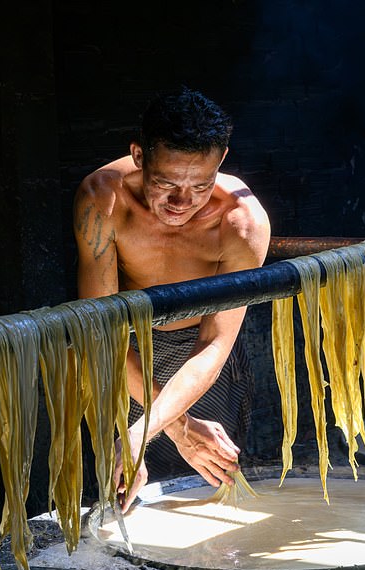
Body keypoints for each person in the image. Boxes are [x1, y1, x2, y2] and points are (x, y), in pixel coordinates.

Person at [73, 87, 271, 511]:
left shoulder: (242, 222)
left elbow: (214, 346)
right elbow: (100, 334)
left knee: (211, 483)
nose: (183, 202)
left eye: (201, 185)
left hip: (197, 360)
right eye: (165, 184)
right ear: (139, 155)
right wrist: (170, 430)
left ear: (221, 160)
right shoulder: (103, 200)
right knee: (113, 490)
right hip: (123, 351)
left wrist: (143, 431)